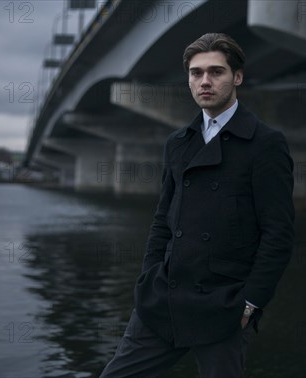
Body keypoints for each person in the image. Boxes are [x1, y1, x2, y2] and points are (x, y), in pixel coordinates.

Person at [99, 32, 295, 378]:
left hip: (224, 305)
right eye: (196, 72)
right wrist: (148, 279)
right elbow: (163, 220)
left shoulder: (265, 144)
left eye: (216, 72)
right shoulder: (178, 143)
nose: (205, 81)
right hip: (164, 298)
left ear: (237, 77)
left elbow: (278, 233)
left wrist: (250, 302)